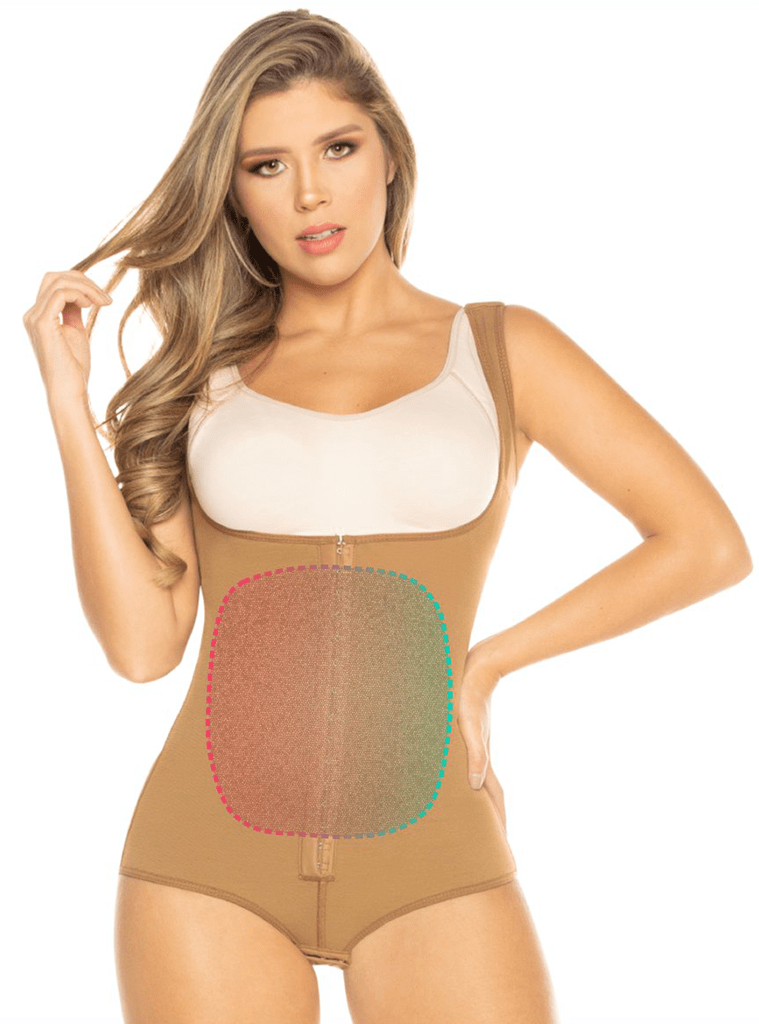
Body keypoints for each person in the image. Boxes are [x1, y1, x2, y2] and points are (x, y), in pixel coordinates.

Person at [22, 9, 752, 1024]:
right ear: (233, 192)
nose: (310, 193)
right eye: (266, 165)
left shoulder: (499, 349)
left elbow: (707, 544)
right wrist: (67, 403)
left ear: (389, 155)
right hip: (204, 860)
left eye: (338, 148)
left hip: (432, 853)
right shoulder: (203, 377)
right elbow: (143, 648)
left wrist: (486, 665)